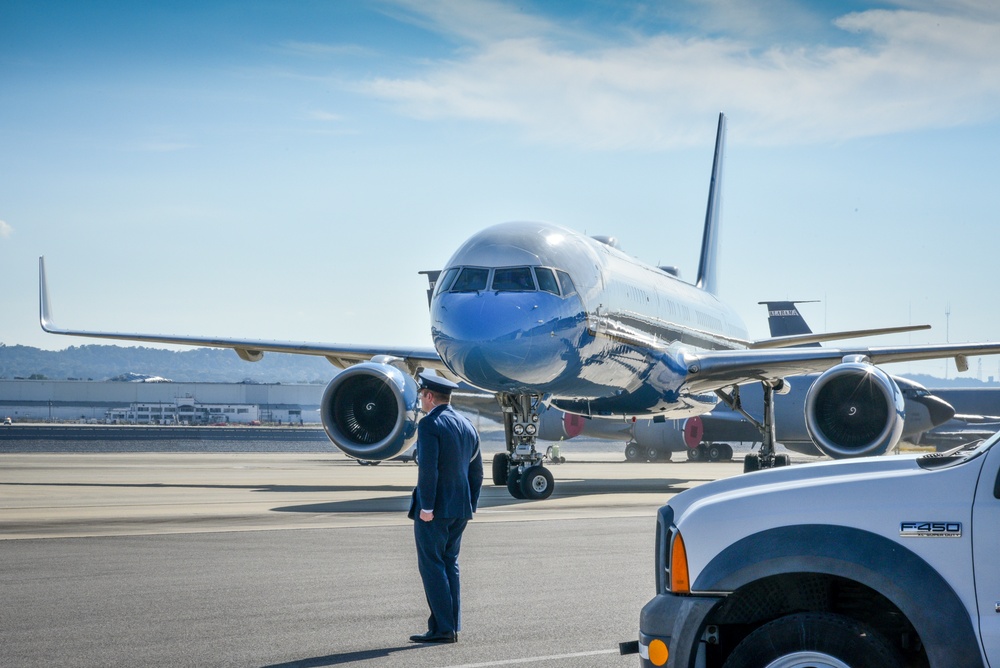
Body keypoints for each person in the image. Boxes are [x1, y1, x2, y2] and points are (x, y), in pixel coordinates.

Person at [408, 371, 484, 644]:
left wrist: (426, 506)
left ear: (429, 396)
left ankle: (442, 629)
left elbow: (428, 470)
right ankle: (450, 625)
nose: (421, 400)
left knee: (432, 565)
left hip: (435, 509)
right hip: (460, 508)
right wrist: (470, 505)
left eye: (422, 396)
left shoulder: (430, 424)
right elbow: (477, 472)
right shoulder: (467, 425)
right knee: (449, 563)